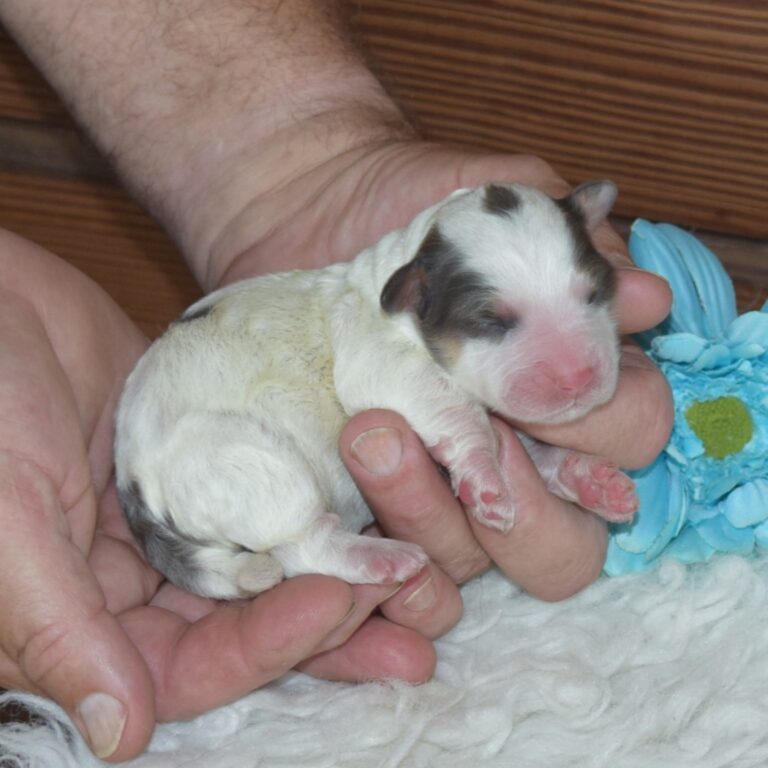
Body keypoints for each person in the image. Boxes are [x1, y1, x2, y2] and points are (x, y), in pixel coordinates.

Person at [0, 0, 673, 761]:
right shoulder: (379, 329)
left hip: (214, 439)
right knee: (296, 481)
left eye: (589, 299)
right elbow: (425, 412)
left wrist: (550, 463)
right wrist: (474, 455)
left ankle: (529, 476)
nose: (578, 362)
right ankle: (313, 548)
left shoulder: (419, 319)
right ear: (414, 295)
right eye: (498, 320)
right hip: (193, 452)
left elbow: (458, 425)